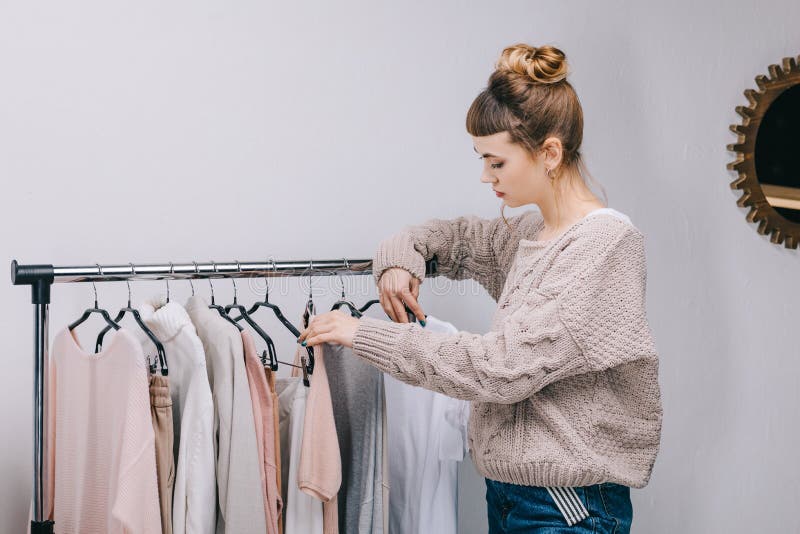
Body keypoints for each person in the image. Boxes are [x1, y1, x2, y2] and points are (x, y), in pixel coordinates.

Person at [297, 42, 663, 533]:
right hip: (512, 495)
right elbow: (446, 238)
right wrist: (399, 264)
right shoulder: (531, 234)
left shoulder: (604, 247)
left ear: (549, 153)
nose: (486, 177)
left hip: (566, 507)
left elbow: (502, 368)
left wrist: (363, 335)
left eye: (496, 162)